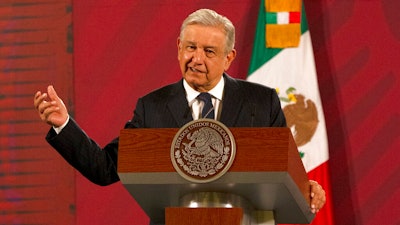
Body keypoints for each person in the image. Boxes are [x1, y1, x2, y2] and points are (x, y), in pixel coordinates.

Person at [34, 9, 326, 214]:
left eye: (209, 51)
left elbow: (284, 167)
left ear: (229, 58)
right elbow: (105, 168)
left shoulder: (261, 102)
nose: (196, 59)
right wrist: (64, 125)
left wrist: (307, 187)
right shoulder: (153, 108)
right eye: (190, 48)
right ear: (178, 48)